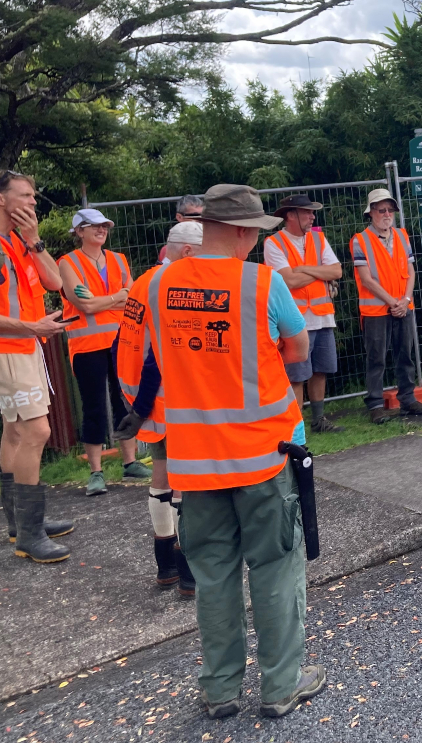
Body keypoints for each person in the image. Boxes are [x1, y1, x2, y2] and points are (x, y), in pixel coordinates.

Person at [119, 184, 323, 719]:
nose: (257, 241)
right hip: (263, 454)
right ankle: (281, 685)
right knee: (276, 570)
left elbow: (144, 356)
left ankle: (220, 689)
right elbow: (298, 348)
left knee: (212, 577)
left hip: (193, 459)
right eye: (255, 233)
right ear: (238, 230)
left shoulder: (157, 283)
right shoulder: (260, 283)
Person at [0, 170, 73, 562]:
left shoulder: (18, 241)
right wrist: (31, 327)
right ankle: (29, 534)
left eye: (34, 197)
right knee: (36, 430)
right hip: (5, 349)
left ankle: (20, 524)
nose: (33, 202)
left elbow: (55, 282)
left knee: (14, 431)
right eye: (25, 196)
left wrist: (34, 240)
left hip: (24, 347)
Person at [116, 221, 202, 597]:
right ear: (186, 252)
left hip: (144, 397)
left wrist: (137, 406)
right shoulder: (174, 287)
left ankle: (165, 564)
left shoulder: (143, 281)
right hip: (167, 396)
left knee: (162, 476)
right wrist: (145, 404)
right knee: (185, 484)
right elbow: (159, 355)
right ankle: (188, 573)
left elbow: (131, 342)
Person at [58, 208, 148, 496]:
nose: (101, 230)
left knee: (125, 401)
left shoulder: (119, 260)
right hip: (86, 347)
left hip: (122, 341)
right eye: (94, 226)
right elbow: (84, 305)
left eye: (104, 226)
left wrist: (105, 301)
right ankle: (96, 473)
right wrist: (116, 298)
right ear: (79, 232)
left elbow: (132, 300)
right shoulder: (67, 263)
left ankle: (130, 462)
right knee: (94, 406)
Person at [264, 194, 343, 433]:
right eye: (307, 212)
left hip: (323, 316)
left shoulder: (318, 239)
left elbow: (337, 271)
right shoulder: (274, 243)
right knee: (297, 375)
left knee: (320, 370)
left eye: (312, 212)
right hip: (294, 321)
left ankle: (318, 420)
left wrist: (305, 269)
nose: (312, 216)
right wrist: (320, 272)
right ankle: (296, 427)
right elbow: (288, 280)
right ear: (290, 215)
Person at [350, 188, 422, 423]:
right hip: (376, 310)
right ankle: (375, 405)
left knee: (405, 355)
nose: (387, 214)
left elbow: (411, 271)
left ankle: (407, 399)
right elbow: (366, 279)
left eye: (390, 210)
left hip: (403, 306)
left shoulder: (402, 236)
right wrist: (394, 302)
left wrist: (405, 300)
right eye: (381, 210)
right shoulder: (359, 240)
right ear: (371, 213)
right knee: (376, 358)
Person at [156, 195, 205, 265]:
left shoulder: (211, 243)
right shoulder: (166, 250)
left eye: (203, 215)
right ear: (179, 217)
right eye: (195, 216)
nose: (201, 220)